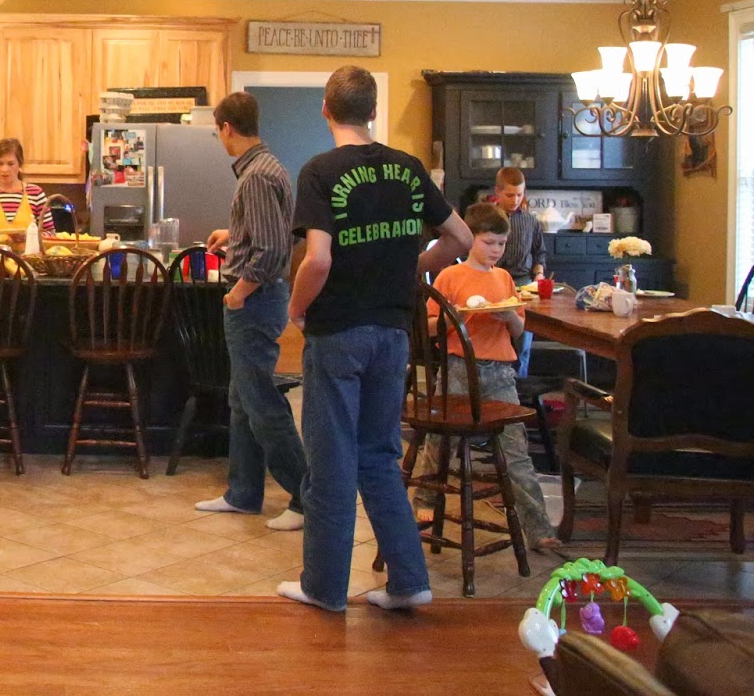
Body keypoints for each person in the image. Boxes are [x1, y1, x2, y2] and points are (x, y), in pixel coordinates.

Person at [278, 65, 472, 613]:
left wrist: (296, 308)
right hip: (393, 334)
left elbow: (318, 259)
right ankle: (409, 581)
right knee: (381, 456)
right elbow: (459, 238)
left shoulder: (320, 172)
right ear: (373, 110)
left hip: (338, 333)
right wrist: (410, 268)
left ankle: (324, 588)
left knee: (331, 462)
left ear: (326, 109)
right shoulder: (408, 169)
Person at [194, 92, 307, 530]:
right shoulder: (269, 166)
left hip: (255, 302)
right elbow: (281, 232)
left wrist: (239, 292)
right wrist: (234, 232)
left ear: (226, 128)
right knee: (241, 398)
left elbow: (272, 250)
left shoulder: (255, 176)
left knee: (261, 402)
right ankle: (243, 493)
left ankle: (306, 497)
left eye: (218, 132)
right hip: (265, 298)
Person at [417, 202, 560, 549]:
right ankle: (425, 500)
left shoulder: (505, 278)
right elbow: (429, 326)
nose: (496, 250)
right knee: (441, 441)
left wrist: (509, 317)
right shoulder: (450, 276)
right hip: (458, 369)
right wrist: (455, 318)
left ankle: (538, 528)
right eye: (489, 242)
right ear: (470, 240)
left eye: (501, 243)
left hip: (500, 373)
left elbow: (518, 329)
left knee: (516, 450)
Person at [491, 166, 546, 375]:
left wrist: (539, 274)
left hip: (523, 284)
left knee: (523, 339)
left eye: (519, 194)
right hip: (493, 280)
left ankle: (520, 382)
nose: (515, 200)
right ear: (497, 191)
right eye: (509, 195)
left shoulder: (530, 221)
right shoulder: (488, 219)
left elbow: (539, 252)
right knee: (495, 333)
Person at [0, 138, 55, 244]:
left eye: (10, 164)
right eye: (0, 163)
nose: (4, 169)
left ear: (20, 164)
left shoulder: (35, 194)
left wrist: (30, 236)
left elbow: (51, 233)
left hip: (30, 254)